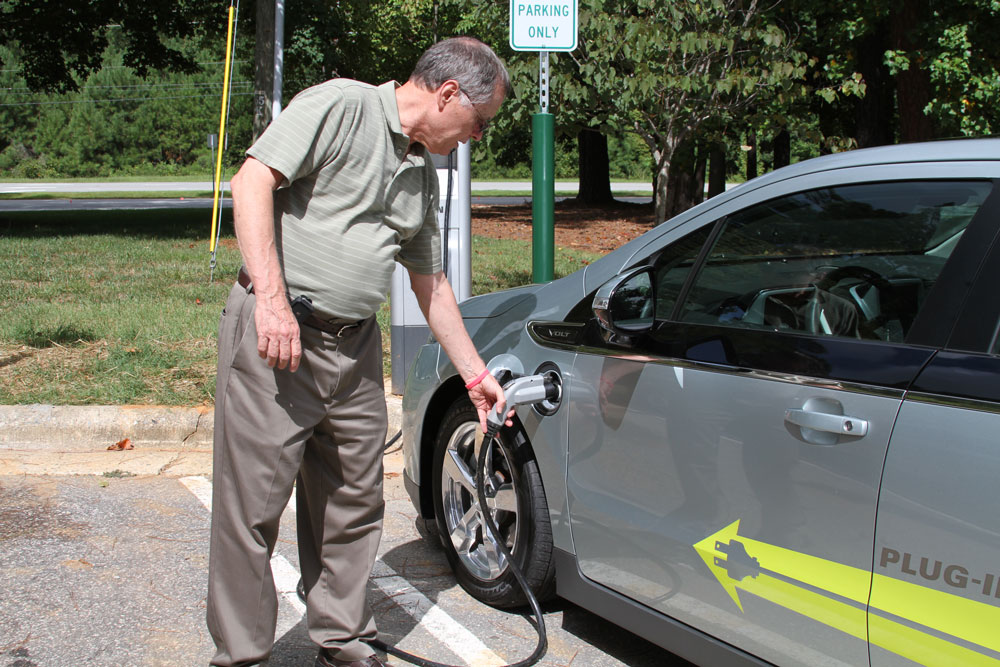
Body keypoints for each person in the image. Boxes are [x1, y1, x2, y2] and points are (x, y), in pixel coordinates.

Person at [207, 37, 511, 667]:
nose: (477, 137)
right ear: (449, 94)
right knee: (253, 508)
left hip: (354, 348)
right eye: (479, 122)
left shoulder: (423, 175)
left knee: (353, 499)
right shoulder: (339, 106)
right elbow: (251, 181)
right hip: (280, 332)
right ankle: (240, 656)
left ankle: (342, 638)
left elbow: (431, 285)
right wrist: (270, 300)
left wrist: (475, 375)